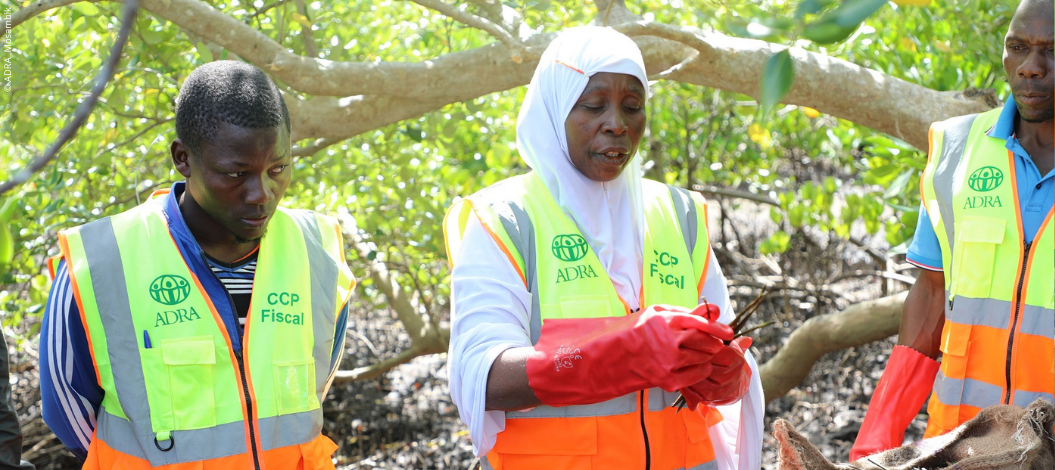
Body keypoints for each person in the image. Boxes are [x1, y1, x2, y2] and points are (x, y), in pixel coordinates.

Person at [442, 26, 764, 470]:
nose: (617, 123)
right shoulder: (504, 218)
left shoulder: (679, 213)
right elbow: (483, 376)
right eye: (594, 105)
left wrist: (728, 376)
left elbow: (729, 348)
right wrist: (620, 354)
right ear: (556, 109)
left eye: (633, 107)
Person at [39, 61, 356, 469]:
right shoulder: (100, 261)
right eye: (236, 173)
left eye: (277, 168)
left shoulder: (319, 252)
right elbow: (70, 414)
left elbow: (316, 384)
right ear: (183, 158)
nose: (262, 194)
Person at [851, 0, 1053, 460]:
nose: (1030, 68)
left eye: (1052, 51)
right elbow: (931, 292)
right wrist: (879, 433)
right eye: (1017, 48)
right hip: (959, 443)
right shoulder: (955, 148)